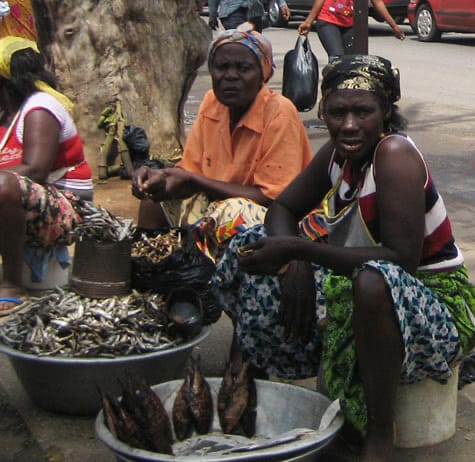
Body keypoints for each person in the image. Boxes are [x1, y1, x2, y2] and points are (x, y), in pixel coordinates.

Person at [211, 54, 475, 461]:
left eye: (363, 112)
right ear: (323, 112)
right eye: (337, 112)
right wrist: (294, 263)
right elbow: (282, 210)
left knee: (372, 279)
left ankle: (379, 436)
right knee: (250, 243)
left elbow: (399, 263)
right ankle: (248, 385)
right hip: (364, 283)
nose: (349, 125)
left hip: (430, 301)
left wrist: (301, 249)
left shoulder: (394, 155)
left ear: (386, 112)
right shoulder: (338, 155)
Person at [131, 29, 313, 261]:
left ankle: (215, 281)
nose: (230, 76)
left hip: (277, 218)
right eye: (222, 67)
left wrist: (193, 180)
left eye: (243, 68)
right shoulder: (212, 103)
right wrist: (157, 179)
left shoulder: (279, 112)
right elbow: (189, 171)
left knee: (230, 212)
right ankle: (155, 275)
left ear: (263, 74)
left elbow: (273, 197)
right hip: (218, 203)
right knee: (152, 200)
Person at [0, 36, 93, 315]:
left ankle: (12, 285)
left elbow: (35, 170)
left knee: (4, 185)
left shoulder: (41, 107)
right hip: (30, 204)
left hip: (68, 208)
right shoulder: (7, 112)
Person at [298, 0, 405, 58]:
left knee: (349, 62)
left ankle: (344, 94)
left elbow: (377, 2)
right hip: (328, 21)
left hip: (349, 25)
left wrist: (394, 26)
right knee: (337, 58)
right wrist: (309, 21)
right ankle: (332, 94)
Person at [208, 0, 290, 32]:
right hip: (232, 12)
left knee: (257, 44)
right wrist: (212, 15)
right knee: (241, 41)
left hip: (255, 12)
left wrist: (282, 4)